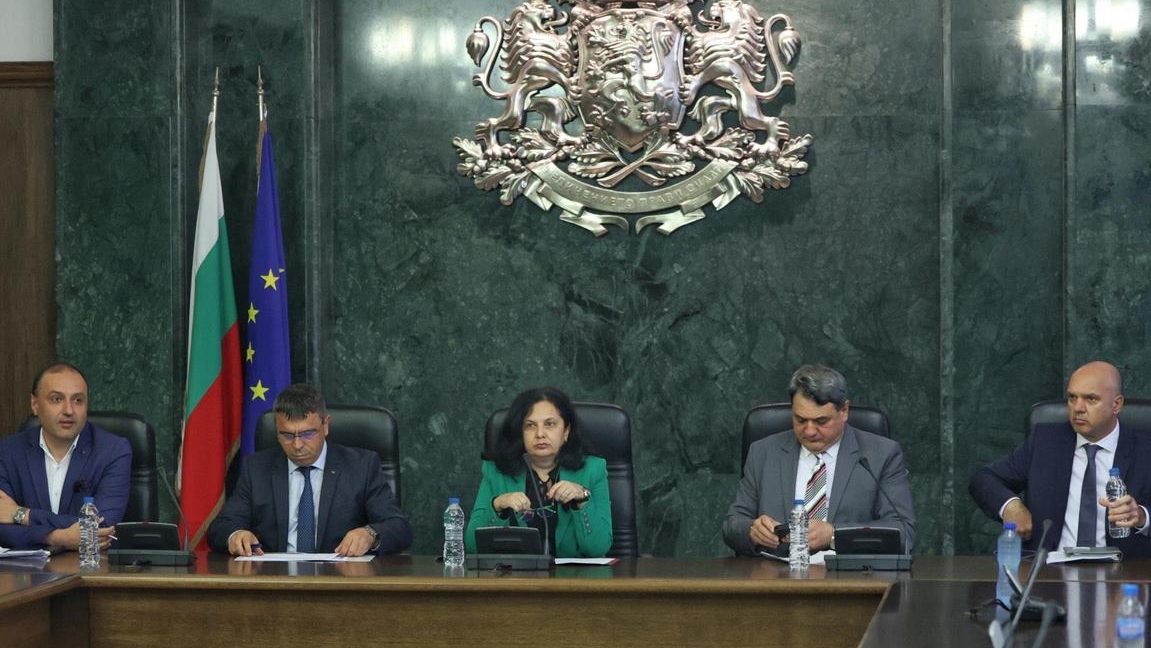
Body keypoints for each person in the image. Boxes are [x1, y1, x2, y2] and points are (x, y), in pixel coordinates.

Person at [723, 365, 917, 556]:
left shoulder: (881, 455)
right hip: (776, 573)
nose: (809, 431)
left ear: (844, 411)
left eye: (821, 421)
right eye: (800, 420)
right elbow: (732, 525)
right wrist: (752, 531)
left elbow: (902, 532)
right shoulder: (763, 452)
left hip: (849, 574)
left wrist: (833, 535)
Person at [207, 383, 412, 556]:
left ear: (325, 425)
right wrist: (236, 535)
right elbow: (220, 528)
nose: (297, 445)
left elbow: (399, 528)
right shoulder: (257, 468)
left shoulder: (361, 466)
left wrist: (370, 534)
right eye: (287, 435)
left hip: (339, 580)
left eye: (307, 434)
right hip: (275, 581)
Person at [969, 361, 1151, 555]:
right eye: (1072, 397)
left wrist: (1142, 516)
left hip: (1123, 568)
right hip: (1051, 566)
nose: (1078, 408)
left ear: (1116, 404)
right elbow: (984, 479)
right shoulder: (1046, 441)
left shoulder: (1145, 449)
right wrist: (1010, 506)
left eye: (1090, 399)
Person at [465, 387, 613, 557]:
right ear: (520, 433)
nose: (540, 434)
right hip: (517, 573)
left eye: (550, 424)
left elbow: (598, 548)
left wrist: (582, 500)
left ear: (566, 431)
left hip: (571, 573)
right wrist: (498, 505)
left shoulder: (593, 470)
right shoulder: (497, 472)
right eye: (530, 426)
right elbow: (473, 546)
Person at [0, 362, 130, 550]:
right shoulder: (8, 452)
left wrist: (22, 514)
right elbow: (2, 529)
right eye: (57, 399)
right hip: (26, 568)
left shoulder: (113, 451)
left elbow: (102, 527)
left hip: (91, 565)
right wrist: (57, 538)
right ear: (35, 404)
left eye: (78, 400)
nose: (69, 410)